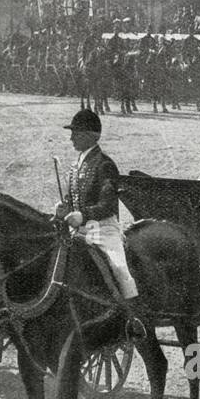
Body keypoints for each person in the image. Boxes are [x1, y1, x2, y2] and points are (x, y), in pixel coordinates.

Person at [54, 109, 146, 334]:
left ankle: (132, 318)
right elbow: (72, 199)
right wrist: (63, 209)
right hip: (79, 228)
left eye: (75, 133)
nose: (71, 138)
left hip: (102, 229)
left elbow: (106, 205)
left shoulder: (105, 165)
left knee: (119, 267)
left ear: (90, 136)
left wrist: (82, 215)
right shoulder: (76, 166)